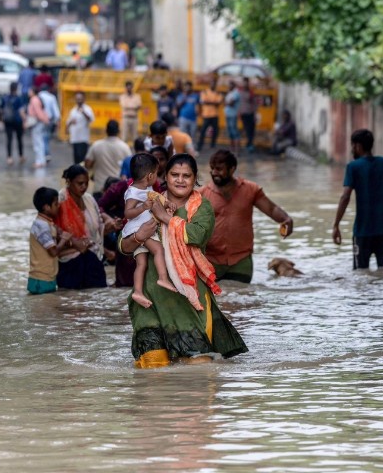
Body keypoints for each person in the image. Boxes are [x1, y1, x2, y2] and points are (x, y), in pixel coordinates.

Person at [120, 153, 248, 368]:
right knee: (153, 369)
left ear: (195, 178)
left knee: (198, 367)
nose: (180, 180)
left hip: (188, 302)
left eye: (186, 176)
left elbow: (196, 236)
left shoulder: (202, 207)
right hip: (151, 299)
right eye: (174, 175)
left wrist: (165, 217)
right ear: (165, 176)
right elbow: (124, 247)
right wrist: (139, 237)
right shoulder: (150, 200)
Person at [200, 150, 293, 283]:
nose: (214, 173)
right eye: (212, 169)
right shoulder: (202, 194)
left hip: (241, 261)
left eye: (219, 169)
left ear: (232, 169)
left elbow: (272, 209)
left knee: (242, 297)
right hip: (211, 260)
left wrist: (286, 219)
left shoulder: (250, 189)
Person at [332, 129, 383, 269]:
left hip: (363, 231)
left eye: (353, 145)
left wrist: (336, 225)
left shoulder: (353, 167)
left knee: (361, 275)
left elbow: (345, 197)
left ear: (358, 146)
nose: (352, 149)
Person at [122, 153, 177, 307]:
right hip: (139, 230)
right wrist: (143, 207)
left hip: (141, 232)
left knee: (141, 264)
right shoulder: (132, 192)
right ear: (150, 175)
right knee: (159, 250)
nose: (158, 178)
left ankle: (138, 292)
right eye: (157, 174)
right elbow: (127, 213)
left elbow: (157, 198)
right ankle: (163, 277)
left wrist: (167, 203)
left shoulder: (147, 188)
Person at [55, 165, 109, 289]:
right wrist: (74, 242)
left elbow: (99, 225)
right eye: (80, 183)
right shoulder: (59, 200)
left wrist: (110, 226)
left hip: (92, 256)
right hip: (70, 262)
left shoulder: (89, 199)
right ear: (68, 182)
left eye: (86, 183)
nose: (84, 187)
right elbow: (53, 227)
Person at [28, 187, 73, 295]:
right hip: (41, 279)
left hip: (47, 278)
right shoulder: (42, 226)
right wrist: (64, 239)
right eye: (56, 204)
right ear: (46, 207)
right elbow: (53, 252)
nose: (59, 206)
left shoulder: (47, 224)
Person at [85, 120, 131, 190]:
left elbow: (87, 164)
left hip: (100, 187)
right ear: (118, 131)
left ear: (106, 130)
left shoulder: (96, 145)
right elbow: (130, 167)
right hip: (117, 188)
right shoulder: (125, 147)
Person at [66, 91, 94, 165]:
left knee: (82, 158)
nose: (78, 100)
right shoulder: (73, 110)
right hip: (75, 138)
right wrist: (70, 123)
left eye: (80, 99)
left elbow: (91, 119)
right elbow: (68, 122)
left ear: (84, 99)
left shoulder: (87, 109)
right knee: (76, 159)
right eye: (77, 99)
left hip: (83, 138)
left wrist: (83, 112)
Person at [1, 82, 25, 165]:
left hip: (8, 121)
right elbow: (21, 110)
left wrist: (2, 120)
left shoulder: (5, 98)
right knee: (19, 139)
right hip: (17, 121)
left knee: (9, 139)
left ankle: (9, 157)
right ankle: (21, 156)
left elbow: (2, 110)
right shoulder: (18, 98)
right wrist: (24, 120)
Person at [26, 86, 50, 168]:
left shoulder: (34, 100)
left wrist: (43, 119)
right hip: (39, 122)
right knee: (40, 142)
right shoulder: (36, 99)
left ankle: (39, 161)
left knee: (37, 143)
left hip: (37, 123)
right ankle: (41, 160)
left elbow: (38, 112)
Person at [198, 76, 223, 150]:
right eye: (212, 83)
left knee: (215, 131)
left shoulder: (218, 93)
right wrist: (213, 102)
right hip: (206, 115)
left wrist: (208, 102)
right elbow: (203, 102)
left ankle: (213, 144)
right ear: (210, 84)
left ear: (215, 85)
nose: (213, 85)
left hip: (214, 115)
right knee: (203, 130)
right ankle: (200, 145)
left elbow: (218, 103)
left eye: (214, 83)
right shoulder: (205, 91)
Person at [38, 84, 60, 163]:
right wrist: (57, 121)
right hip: (49, 120)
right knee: (46, 138)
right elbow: (56, 111)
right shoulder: (51, 97)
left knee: (41, 138)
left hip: (39, 120)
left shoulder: (38, 96)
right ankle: (46, 154)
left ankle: (43, 154)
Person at [239, 78, 259, 153]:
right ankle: (249, 145)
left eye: (246, 83)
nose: (245, 84)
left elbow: (254, 103)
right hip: (244, 114)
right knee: (247, 130)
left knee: (252, 130)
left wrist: (255, 113)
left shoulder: (251, 93)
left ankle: (249, 144)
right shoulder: (240, 92)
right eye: (244, 83)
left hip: (251, 113)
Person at [224, 81, 241, 156]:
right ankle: (232, 150)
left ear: (233, 86)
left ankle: (237, 151)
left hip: (233, 115)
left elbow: (231, 103)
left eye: (230, 85)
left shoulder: (236, 93)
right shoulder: (230, 93)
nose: (229, 86)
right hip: (228, 115)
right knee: (230, 133)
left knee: (235, 133)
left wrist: (226, 103)